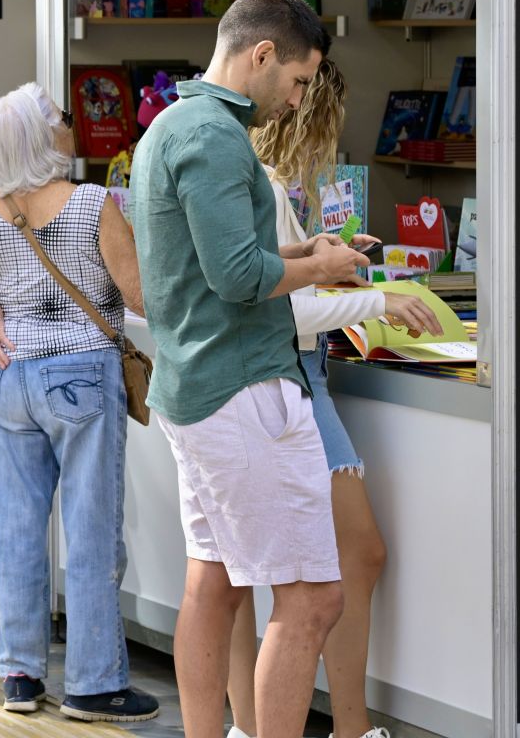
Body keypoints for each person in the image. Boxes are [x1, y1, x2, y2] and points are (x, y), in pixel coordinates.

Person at [129, 0, 380, 738]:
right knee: (311, 599)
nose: (299, 102)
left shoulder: (172, 125)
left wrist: (308, 255)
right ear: (262, 55)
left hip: (197, 388)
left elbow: (212, 262)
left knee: (214, 587)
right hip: (243, 391)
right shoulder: (214, 136)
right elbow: (238, 277)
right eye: (300, 81)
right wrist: (319, 270)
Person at [0, 82, 160, 723]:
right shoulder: (93, 203)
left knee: (18, 531)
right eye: (64, 120)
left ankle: (20, 675)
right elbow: (142, 300)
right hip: (80, 376)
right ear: (47, 137)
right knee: (92, 530)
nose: (72, 127)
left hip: (8, 377)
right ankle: (95, 683)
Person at [227, 60, 440, 738]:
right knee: (339, 559)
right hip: (283, 376)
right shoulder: (260, 180)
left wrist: (329, 259)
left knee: (242, 574)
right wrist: (377, 297)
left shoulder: (261, 181)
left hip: (274, 379)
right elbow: (278, 309)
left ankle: (267, 725)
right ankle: (341, 727)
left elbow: (282, 281)